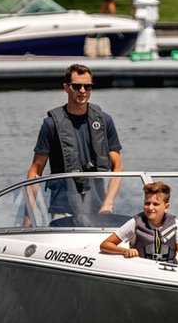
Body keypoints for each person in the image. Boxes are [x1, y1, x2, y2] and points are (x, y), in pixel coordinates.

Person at [27, 63, 123, 218]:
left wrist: (108, 203)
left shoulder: (105, 121)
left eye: (88, 87)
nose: (83, 91)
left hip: (98, 207)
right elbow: (35, 170)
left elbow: (117, 167)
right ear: (66, 88)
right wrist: (29, 212)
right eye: (77, 86)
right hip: (62, 207)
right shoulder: (51, 124)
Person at [100, 181, 178, 267]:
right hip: (142, 272)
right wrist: (125, 251)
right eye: (147, 203)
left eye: (155, 204)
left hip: (168, 273)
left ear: (166, 207)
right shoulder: (134, 223)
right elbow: (105, 244)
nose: (150, 207)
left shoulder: (175, 224)